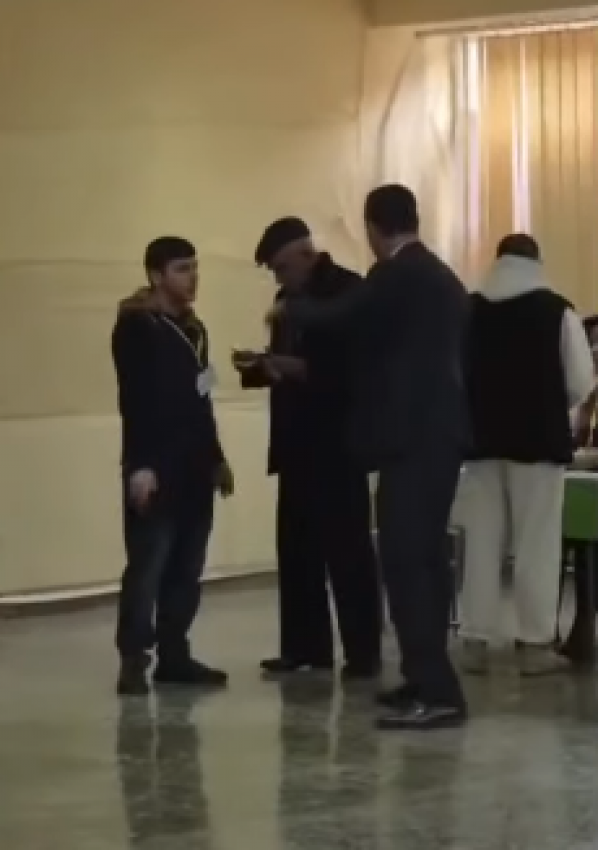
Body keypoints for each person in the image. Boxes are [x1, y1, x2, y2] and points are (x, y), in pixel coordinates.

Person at [271, 186, 469, 731]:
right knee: (420, 561)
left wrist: (292, 307)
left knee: (407, 564)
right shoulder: (439, 276)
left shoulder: (398, 274)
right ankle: (422, 679)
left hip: (414, 441)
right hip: (435, 438)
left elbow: (343, 314)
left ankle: (438, 692)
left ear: (373, 228)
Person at [232, 218, 381, 680]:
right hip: (296, 443)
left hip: (338, 444)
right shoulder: (288, 301)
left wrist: (295, 368)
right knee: (297, 551)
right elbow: (287, 363)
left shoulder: (349, 293)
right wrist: (261, 366)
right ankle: (304, 647)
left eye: (282, 267)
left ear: (305, 255)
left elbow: (355, 369)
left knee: (348, 551)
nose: (279, 278)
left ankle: (362, 652)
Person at [460, 234, 594, 676]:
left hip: (481, 442)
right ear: (536, 261)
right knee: (537, 542)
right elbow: (580, 380)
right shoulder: (556, 310)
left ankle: (475, 638)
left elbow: (456, 373)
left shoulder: (470, 310)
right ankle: (535, 643)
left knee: (481, 541)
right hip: (538, 441)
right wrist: (549, 405)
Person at [111, 236, 234, 696]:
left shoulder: (195, 330)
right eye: (182, 269)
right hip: (157, 467)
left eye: (195, 267)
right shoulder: (137, 328)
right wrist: (141, 466)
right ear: (156, 275)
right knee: (148, 567)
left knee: (187, 566)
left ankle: (174, 654)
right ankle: (133, 659)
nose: (192, 277)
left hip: (194, 467)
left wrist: (216, 457)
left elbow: (202, 400)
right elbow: (136, 401)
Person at [559, 314, 598, 666]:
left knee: (585, 537)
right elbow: (575, 438)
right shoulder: (582, 393)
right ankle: (577, 626)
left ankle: (584, 624)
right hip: (583, 485)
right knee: (575, 532)